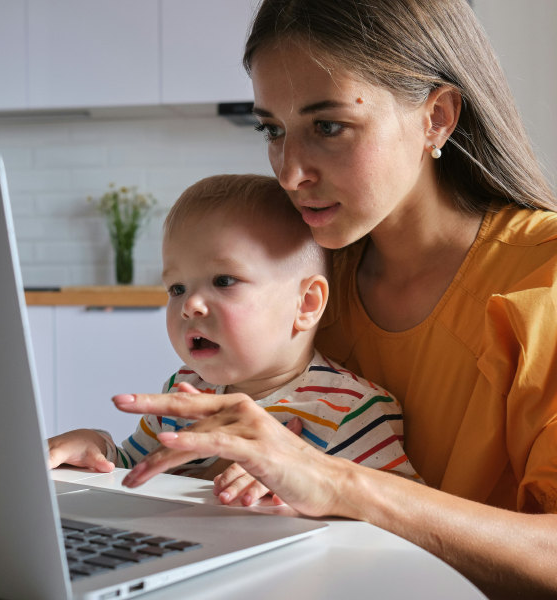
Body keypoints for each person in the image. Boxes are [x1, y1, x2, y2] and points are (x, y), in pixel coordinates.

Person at [86, 1, 557, 599]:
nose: (290, 172)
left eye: (328, 126)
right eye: (272, 129)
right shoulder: (308, 280)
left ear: (437, 118)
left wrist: (339, 483)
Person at [47, 174, 420, 505]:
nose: (189, 305)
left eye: (223, 281)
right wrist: (96, 448)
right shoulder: (183, 394)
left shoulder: (351, 409)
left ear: (306, 303)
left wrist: (295, 492)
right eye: (176, 287)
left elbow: (396, 513)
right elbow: (133, 468)